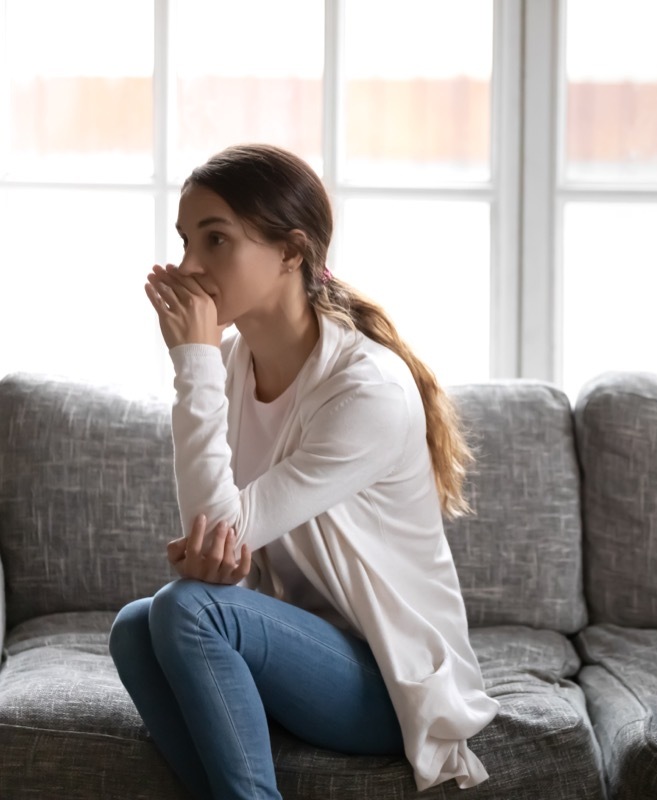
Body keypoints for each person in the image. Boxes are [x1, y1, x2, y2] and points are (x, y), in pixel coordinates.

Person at [108, 143, 498, 800]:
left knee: (186, 611)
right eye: (185, 241)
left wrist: (192, 363)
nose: (189, 267)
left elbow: (218, 534)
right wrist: (206, 365)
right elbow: (216, 546)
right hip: (293, 657)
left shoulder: (365, 389)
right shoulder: (233, 363)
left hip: (387, 684)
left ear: (290, 252)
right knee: (134, 629)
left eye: (216, 240)